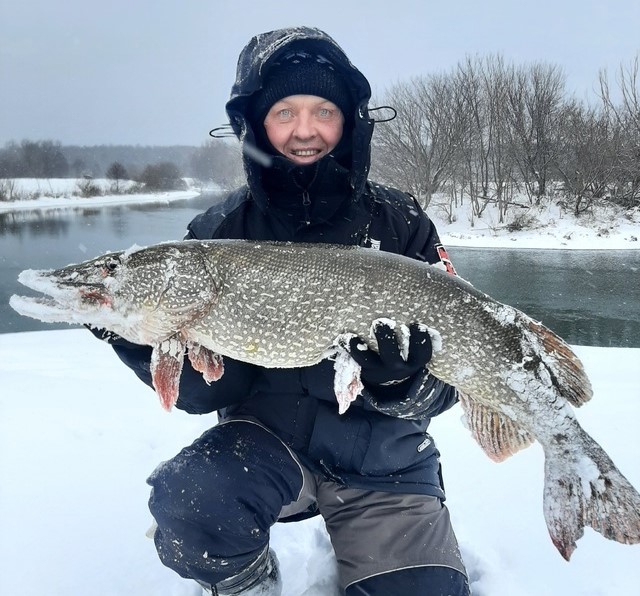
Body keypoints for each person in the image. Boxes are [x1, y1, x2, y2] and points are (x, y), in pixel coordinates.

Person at [95, 26, 470, 596]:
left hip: (385, 461)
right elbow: (204, 395)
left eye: (323, 110)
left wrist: (400, 384)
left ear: (350, 121)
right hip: (267, 449)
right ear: (255, 124)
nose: (305, 130)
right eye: (284, 111)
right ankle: (249, 582)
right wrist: (134, 334)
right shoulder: (217, 235)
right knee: (192, 503)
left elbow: (455, 380)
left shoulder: (401, 223)